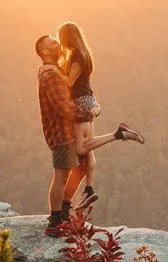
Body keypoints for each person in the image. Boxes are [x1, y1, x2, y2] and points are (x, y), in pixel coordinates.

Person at [54, 20, 143, 217]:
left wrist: (53, 70)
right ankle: (88, 190)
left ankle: (119, 134)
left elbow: (69, 82)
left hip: (81, 102)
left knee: (81, 148)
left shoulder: (77, 57)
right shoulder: (84, 54)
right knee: (88, 152)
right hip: (88, 100)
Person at [37, 34, 89, 233]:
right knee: (61, 175)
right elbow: (64, 108)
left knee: (81, 167)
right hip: (61, 132)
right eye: (53, 43)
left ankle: (64, 210)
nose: (58, 45)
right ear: (45, 51)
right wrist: (87, 113)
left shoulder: (51, 72)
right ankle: (55, 220)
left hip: (66, 131)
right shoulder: (51, 77)